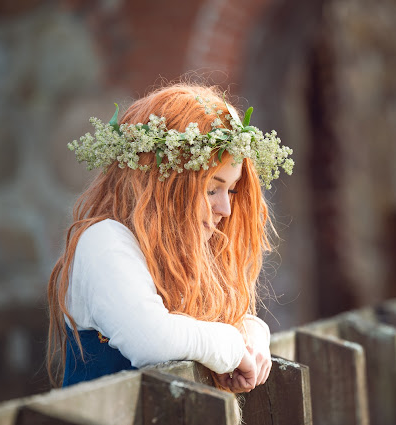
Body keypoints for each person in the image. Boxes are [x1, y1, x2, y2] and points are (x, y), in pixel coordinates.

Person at [46, 83, 293, 393]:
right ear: (165, 183)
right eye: (211, 188)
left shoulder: (183, 250)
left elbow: (223, 318)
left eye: (231, 189)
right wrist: (233, 347)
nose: (226, 208)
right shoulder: (104, 242)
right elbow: (150, 339)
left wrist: (253, 334)